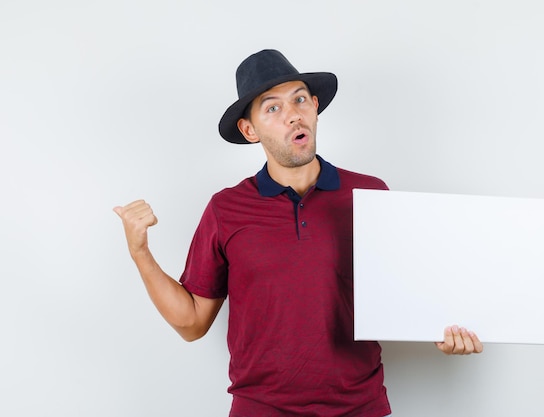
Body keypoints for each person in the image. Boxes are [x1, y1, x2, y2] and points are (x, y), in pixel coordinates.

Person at [114, 49, 483, 417]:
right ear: (250, 129)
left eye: (300, 100)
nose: (292, 114)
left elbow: (412, 293)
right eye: (272, 108)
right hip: (260, 410)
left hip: (359, 407)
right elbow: (193, 323)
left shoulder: (370, 195)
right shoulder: (225, 209)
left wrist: (445, 328)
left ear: (315, 108)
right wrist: (140, 252)